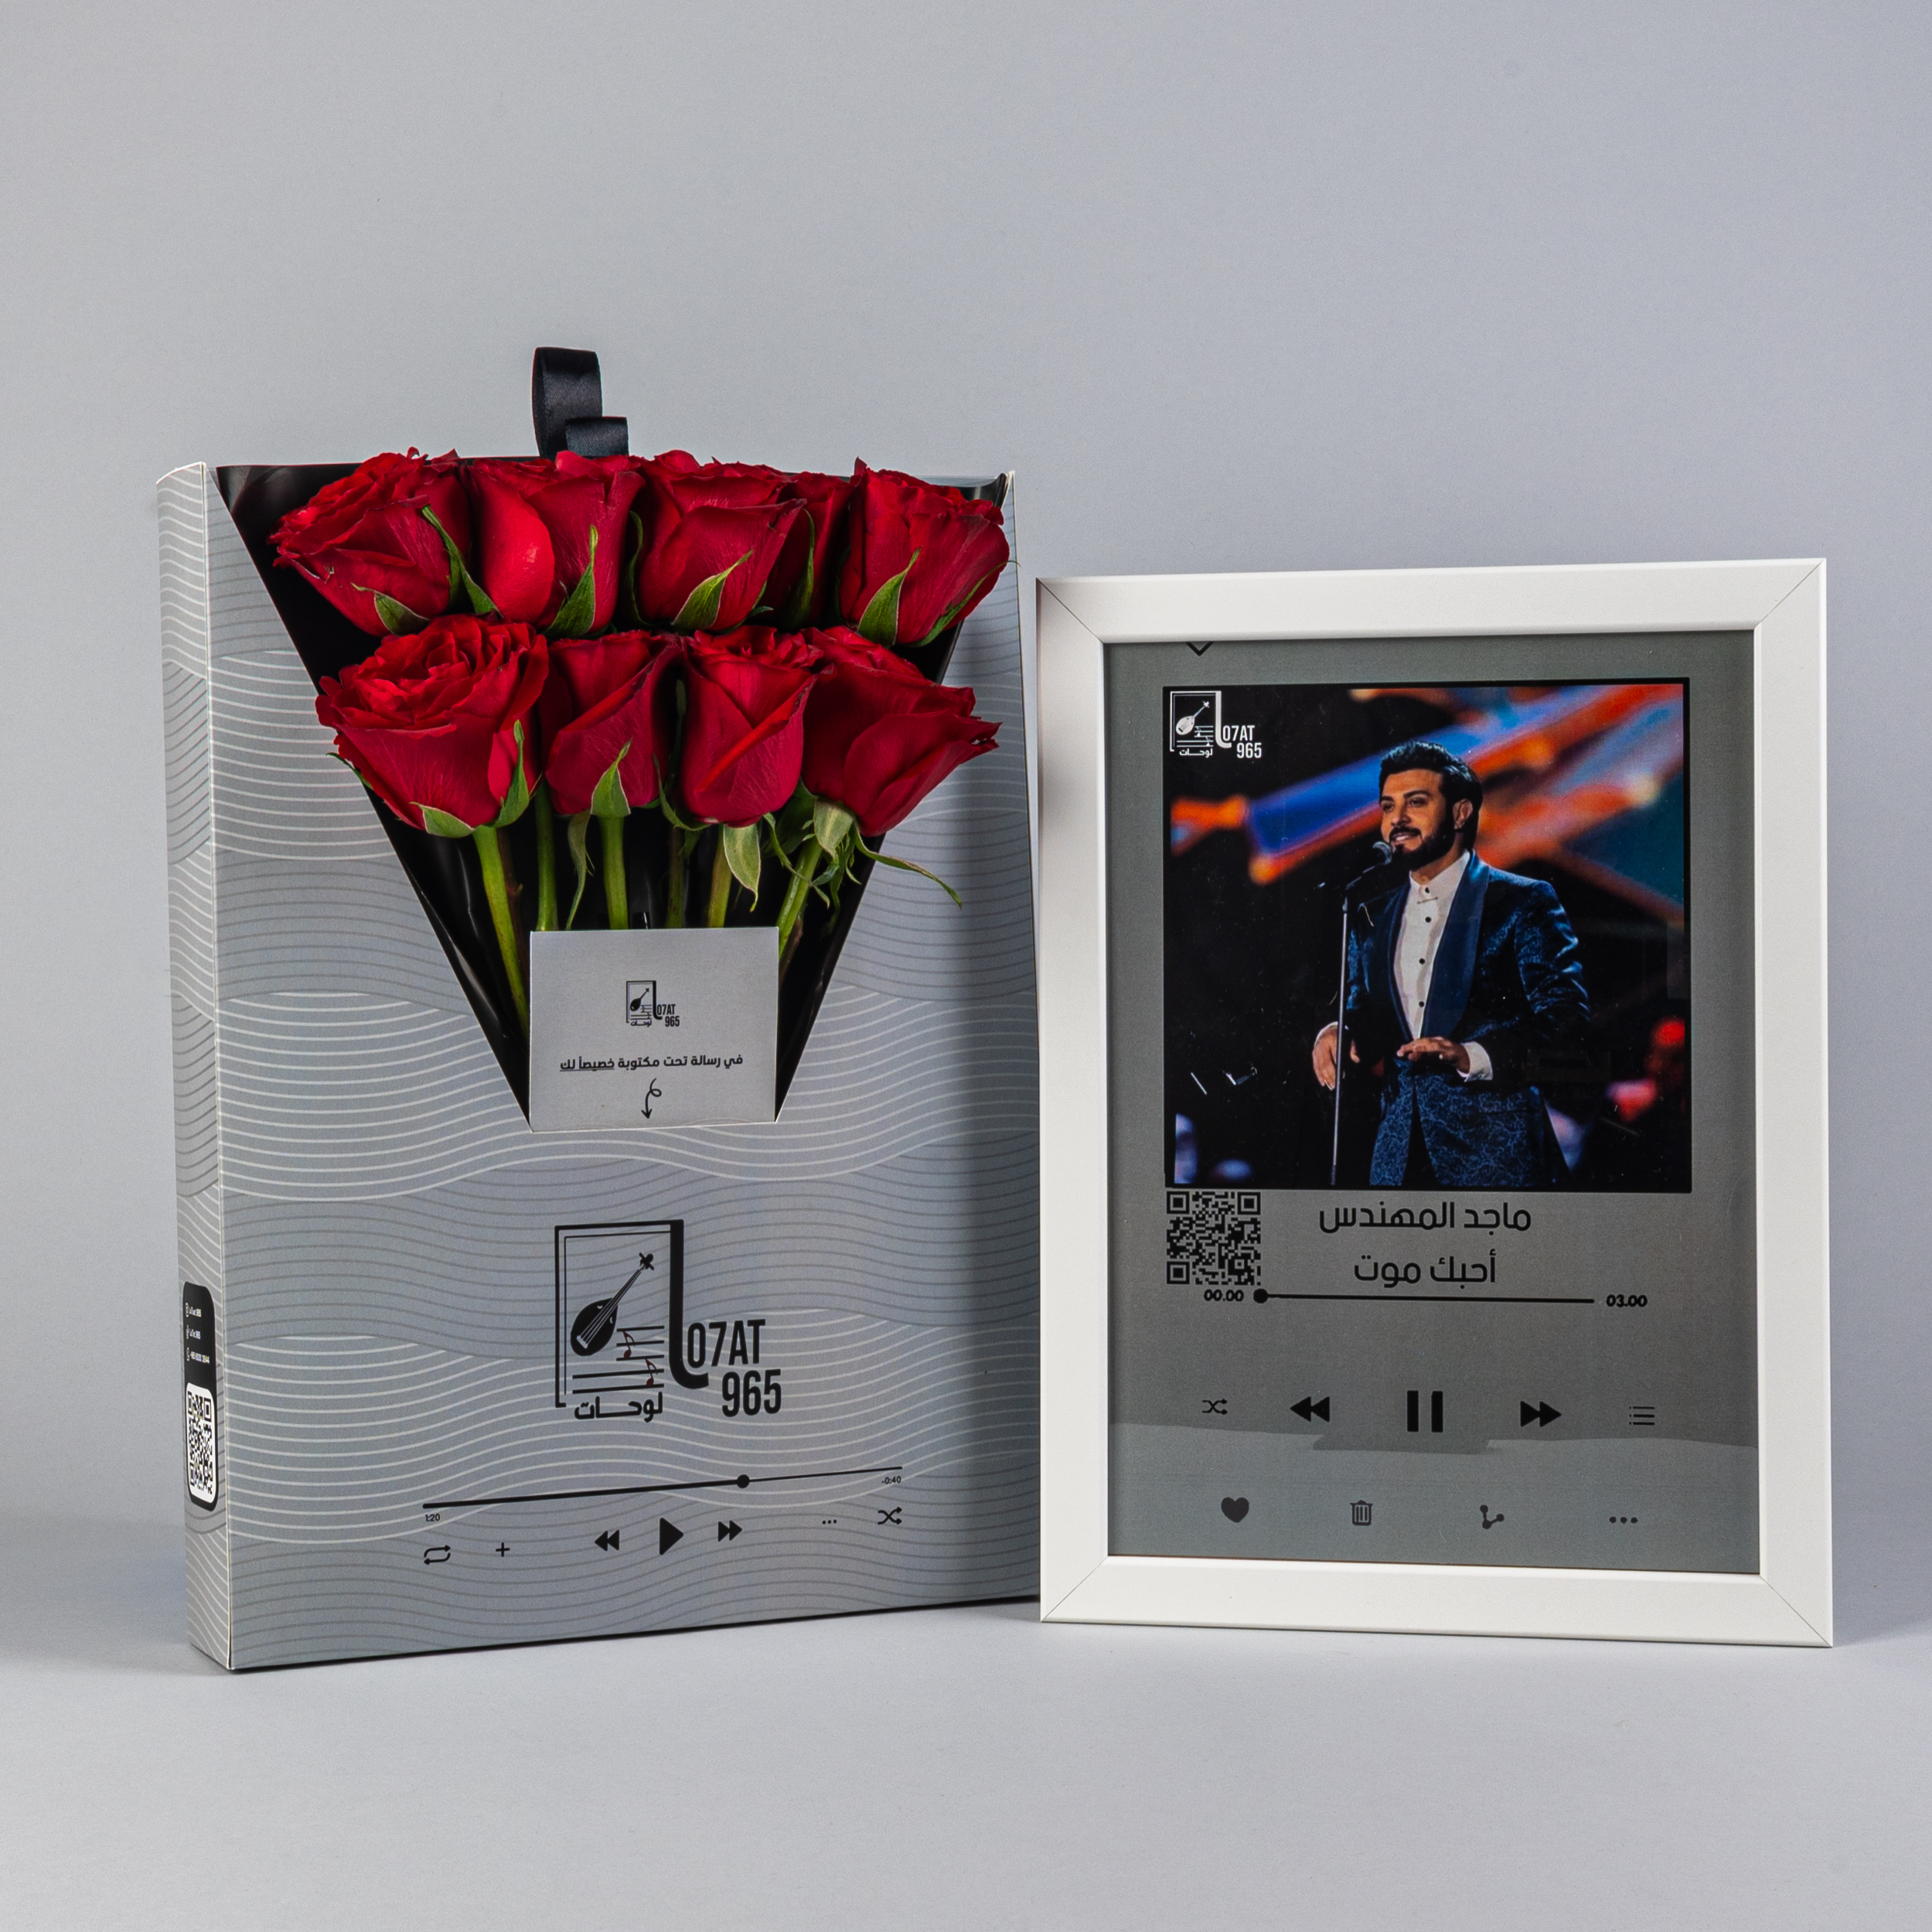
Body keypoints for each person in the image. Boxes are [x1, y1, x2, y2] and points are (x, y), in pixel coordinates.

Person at [1312, 741, 1588, 1188]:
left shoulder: (1521, 901)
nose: (1397, 819)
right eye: (1388, 806)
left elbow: (1566, 1018)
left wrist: (1472, 1055)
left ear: (1460, 814)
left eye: (1416, 802)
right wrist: (1340, 1031)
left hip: (1495, 1161)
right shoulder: (1371, 916)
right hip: (1397, 1162)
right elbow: (1369, 1016)